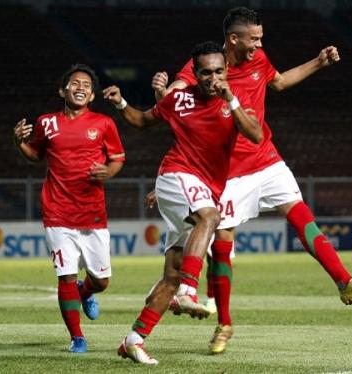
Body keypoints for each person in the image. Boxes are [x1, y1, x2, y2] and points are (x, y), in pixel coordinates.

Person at [151, 6, 352, 354]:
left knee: (301, 214)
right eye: (254, 39)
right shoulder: (208, 66)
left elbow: (279, 82)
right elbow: (177, 94)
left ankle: (344, 282)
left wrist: (318, 62)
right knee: (223, 240)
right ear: (234, 38)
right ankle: (224, 324)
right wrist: (161, 92)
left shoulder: (259, 60)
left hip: (267, 158)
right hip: (229, 170)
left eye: (261, 39)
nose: (259, 45)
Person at [103, 41, 262, 365]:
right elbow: (143, 121)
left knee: (172, 274)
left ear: (226, 71)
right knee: (211, 218)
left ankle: (133, 340)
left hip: (200, 187)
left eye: (218, 71)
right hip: (176, 177)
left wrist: (229, 97)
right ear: (195, 73)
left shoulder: (235, 101)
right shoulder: (179, 100)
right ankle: (190, 291)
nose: (212, 77)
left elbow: (256, 135)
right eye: (205, 72)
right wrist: (121, 104)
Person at [13, 64, 126, 353]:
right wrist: (19, 143)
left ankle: (84, 291)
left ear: (91, 96)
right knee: (65, 274)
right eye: (75, 83)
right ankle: (77, 337)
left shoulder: (103, 124)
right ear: (63, 90)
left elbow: (117, 158)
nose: (81, 87)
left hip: (92, 212)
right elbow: (35, 154)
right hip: (57, 211)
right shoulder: (47, 122)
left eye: (87, 86)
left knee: (101, 281)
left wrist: (108, 172)